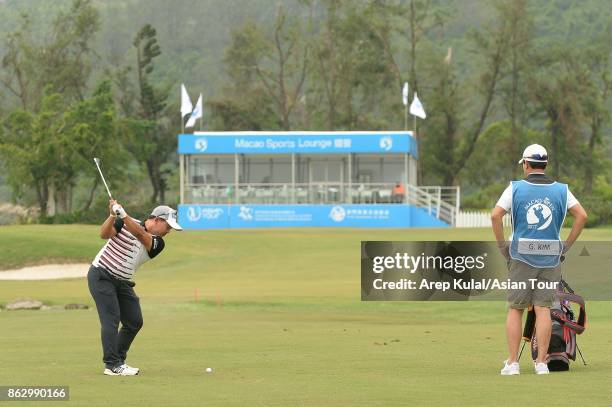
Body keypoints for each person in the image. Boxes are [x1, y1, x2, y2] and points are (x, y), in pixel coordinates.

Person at [491, 144, 587, 375]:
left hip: (521, 256)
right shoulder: (562, 190)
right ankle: (542, 363)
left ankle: (513, 363)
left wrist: (503, 246)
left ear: (526, 164)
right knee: (543, 308)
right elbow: (581, 216)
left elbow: (496, 215)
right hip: (550, 256)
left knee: (516, 309)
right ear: (545, 165)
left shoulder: (514, 188)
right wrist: (566, 246)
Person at [88, 200, 183, 376]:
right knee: (111, 318)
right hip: (101, 275)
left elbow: (140, 234)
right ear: (156, 219)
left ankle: (118, 360)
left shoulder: (158, 243)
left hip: (123, 282)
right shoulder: (122, 221)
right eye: (168, 226)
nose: (169, 231)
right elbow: (104, 234)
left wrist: (123, 215)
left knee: (134, 321)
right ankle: (112, 364)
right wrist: (111, 216)